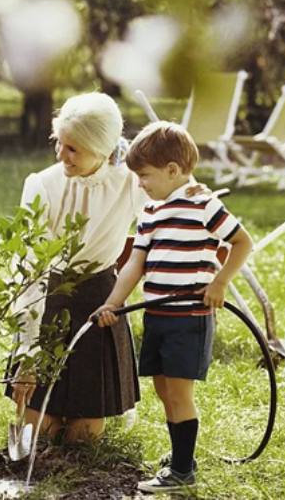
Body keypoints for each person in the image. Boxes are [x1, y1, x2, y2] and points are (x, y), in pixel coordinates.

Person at [8, 92, 206, 443]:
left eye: (73, 149)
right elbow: (29, 270)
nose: (60, 155)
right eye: (59, 143)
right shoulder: (42, 185)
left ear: (102, 150)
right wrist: (28, 353)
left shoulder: (131, 180)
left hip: (98, 300)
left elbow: (171, 205)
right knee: (41, 432)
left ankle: (108, 407)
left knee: (82, 437)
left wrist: (191, 195)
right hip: (48, 298)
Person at [94, 121, 253, 493]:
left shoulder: (204, 205)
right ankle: (182, 457)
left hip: (189, 317)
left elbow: (243, 243)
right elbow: (135, 263)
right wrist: (112, 303)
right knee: (164, 390)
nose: (140, 184)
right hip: (158, 315)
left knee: (180, 394)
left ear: (171, 170)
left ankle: (182, 473)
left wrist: (219, 282)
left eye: (145, 176)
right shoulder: (150, 212)